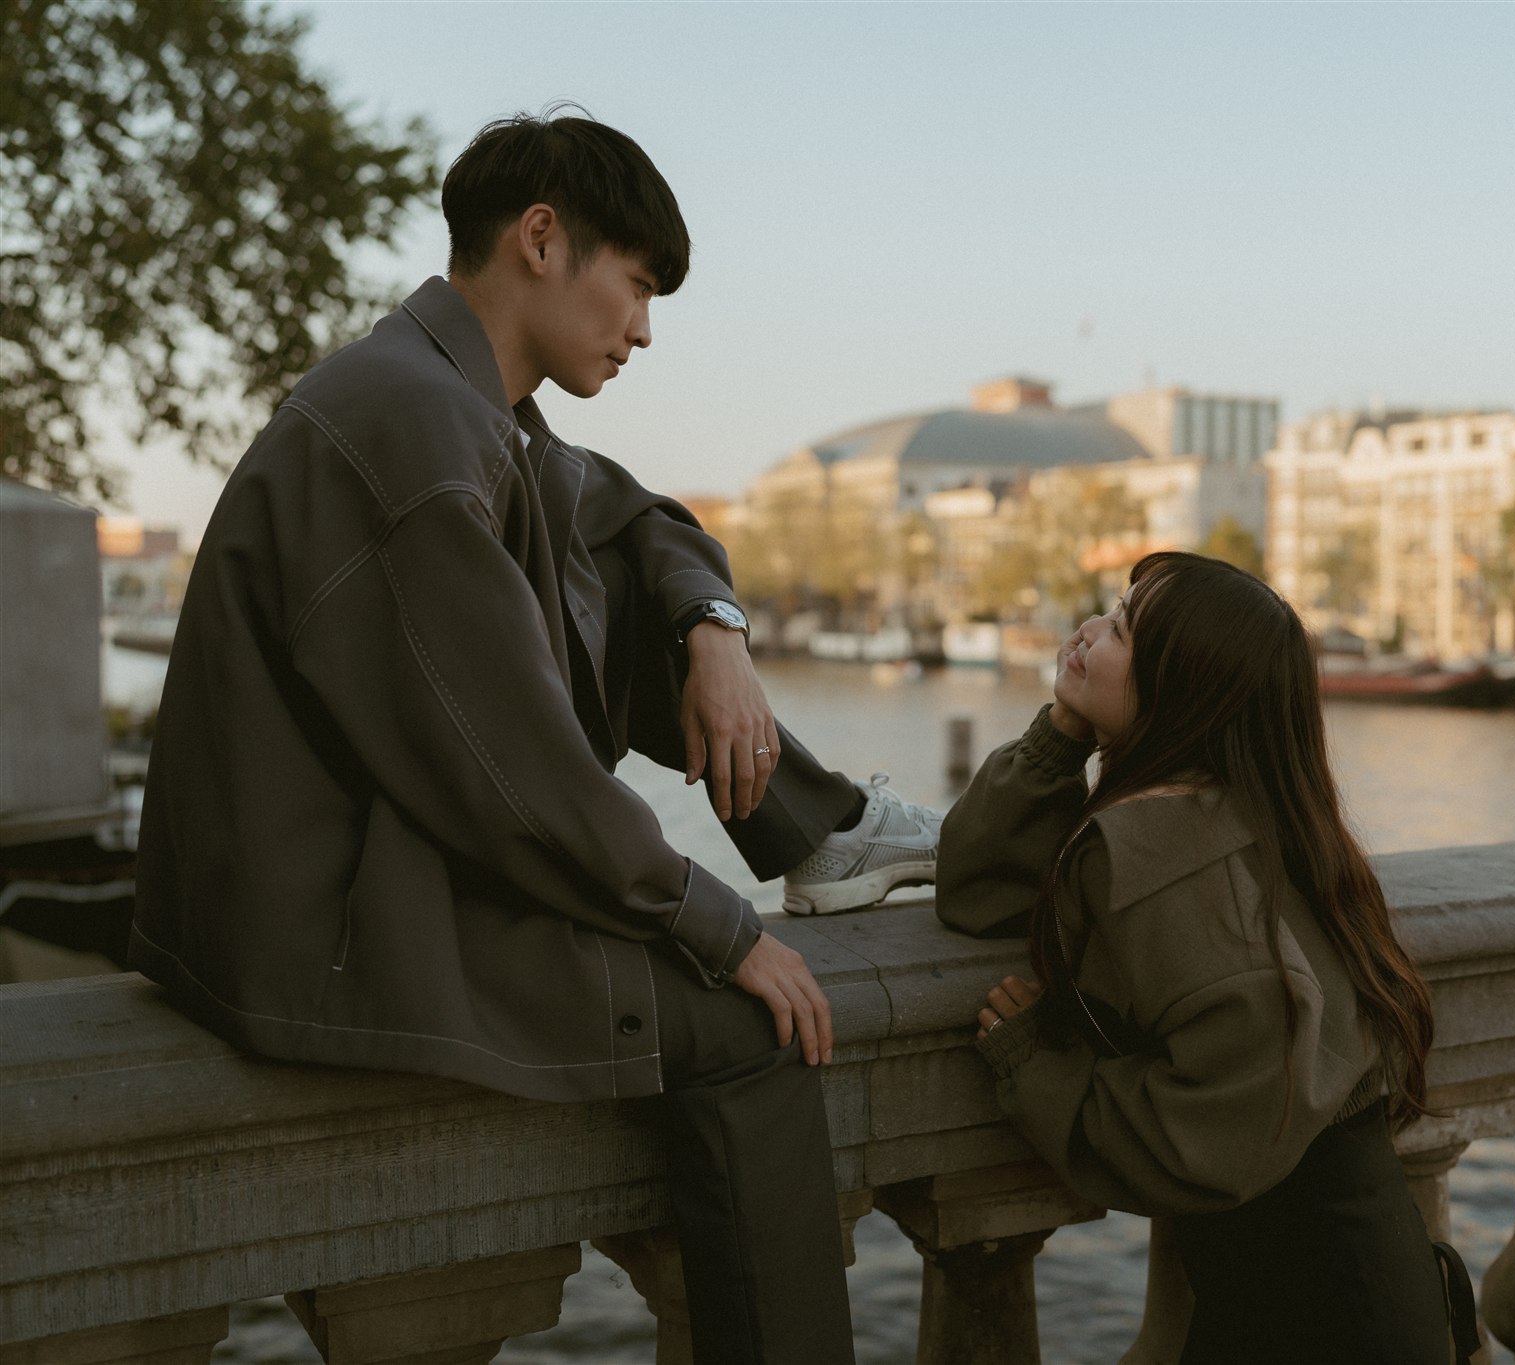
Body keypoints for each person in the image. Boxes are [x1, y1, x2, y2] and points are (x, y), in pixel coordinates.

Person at [129, 110, 937, 1363]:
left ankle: (819, 834)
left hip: (381, 855)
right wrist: (721, 932)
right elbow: (515, 775)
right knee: (757, 1035)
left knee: (619, 571)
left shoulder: (467, 401)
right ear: (542, 240)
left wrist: (714, 630)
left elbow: (639, 514)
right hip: (330, 924)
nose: (646, 329)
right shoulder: (414, 430)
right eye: (635, 285)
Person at [937, 551, 1470, 1364]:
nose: (1088, 631)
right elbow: (983, 890)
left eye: (1119, 629)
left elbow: (1211, 1132)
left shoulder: (1162, 853)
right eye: (1111, 610)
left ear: (1181, 689)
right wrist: (1062, 734)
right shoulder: (1240, 813)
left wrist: (1034, 1065)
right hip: (1336, 1282)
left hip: (1315, 1313)